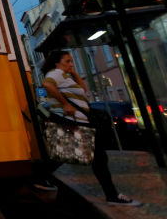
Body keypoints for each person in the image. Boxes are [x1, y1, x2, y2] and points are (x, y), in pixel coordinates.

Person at [41, 50, 140, 206]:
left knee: (72, 155)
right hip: (73, 121)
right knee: (97, 157)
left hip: (78, 121)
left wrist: (74, 72)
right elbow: (47, 84)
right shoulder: (56, 73)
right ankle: (112, 196)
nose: (71, 64)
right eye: (67, 61)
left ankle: (40, 177)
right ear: (57, 63)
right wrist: (65, 103)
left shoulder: (65, 76)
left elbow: (83, 89)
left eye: (71, 61)